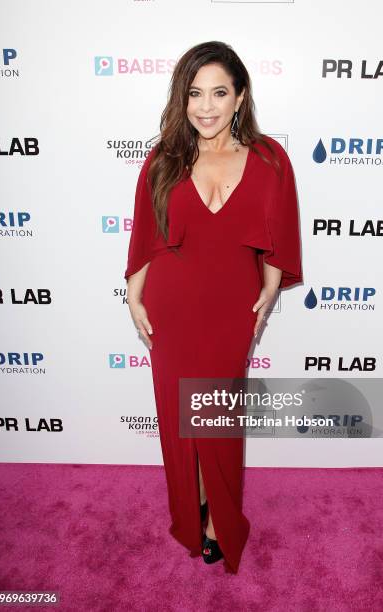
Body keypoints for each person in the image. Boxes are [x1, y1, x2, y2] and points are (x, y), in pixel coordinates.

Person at [124, 41, 303, 574]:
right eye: (195, 93)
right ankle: (195, 511)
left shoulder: (271, 157)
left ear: (240, 97)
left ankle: (220, 517)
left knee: (216, 419)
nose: (206, 106)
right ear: (182, 99)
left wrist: (269, 292)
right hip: (172, 305)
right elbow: (145, 236)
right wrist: (133, 292)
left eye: (219, 93)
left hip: (231, 307)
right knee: (183, 421)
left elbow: (280, 233)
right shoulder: (163, 159)